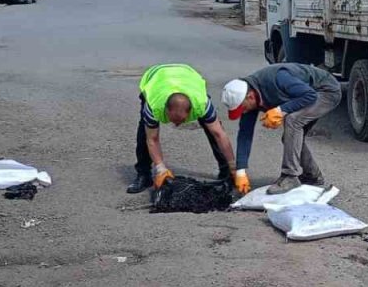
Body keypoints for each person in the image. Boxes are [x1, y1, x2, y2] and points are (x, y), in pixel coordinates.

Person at [221, 63, 342, 195]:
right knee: (290, 138)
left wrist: (281, 110)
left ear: (250, 96)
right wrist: (240, 171)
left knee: (293, 120)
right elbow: (245, 134)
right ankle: (312, 176)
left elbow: (309, 95)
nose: (243, 112)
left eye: (242, 108)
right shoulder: (249, 98)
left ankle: (290, 177)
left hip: (326, 91)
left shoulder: (278, 78)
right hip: (310, 94)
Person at [128, 64, 236, 194]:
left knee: (212, 128)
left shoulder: (201, 104)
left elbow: (220, 134)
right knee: (145, 132)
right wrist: (160, 168)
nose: (177, 125)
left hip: (188, 76)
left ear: (190, 111)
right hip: (156, 77)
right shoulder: (154, 106)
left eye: (181, 121)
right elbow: (152, 139)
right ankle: (143, 175)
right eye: (173, 120)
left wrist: (234, 167)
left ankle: (227, 172)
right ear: (166, 109)